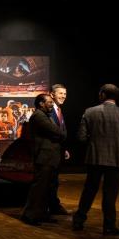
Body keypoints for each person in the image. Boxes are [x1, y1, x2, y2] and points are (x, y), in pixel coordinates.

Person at [72, 84, 119, 235]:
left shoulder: (89, 112)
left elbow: (81, 137)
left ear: (102, 95)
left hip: (95, 157)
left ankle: (78, 220)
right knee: (110, 194)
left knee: (89, 190)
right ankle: (109, 226)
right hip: (117, 159)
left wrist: (94, 139)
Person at [20, 93, 65, 226]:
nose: (52, 104)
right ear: (41, 103)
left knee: (46, 189)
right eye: (50, 102)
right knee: (39, 188)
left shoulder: (44, 116)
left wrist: (59, 135)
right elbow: (58, 132)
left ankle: (42, 214)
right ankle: (29, 215)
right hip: (44, 157)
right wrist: (60, 135)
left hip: (49, 158)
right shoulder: (39, 116)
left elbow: (56, 133)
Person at [47, 83, 70, 216]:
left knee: (54, 181)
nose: (63, 96)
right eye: (61, 93)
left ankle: (54, 206)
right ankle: (51, 206)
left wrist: (64, 149)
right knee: (50, 181)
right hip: (50, 152)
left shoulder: (59, 110)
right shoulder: (49, 111)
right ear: (52, 94)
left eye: (65, 94)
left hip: (57, 151)